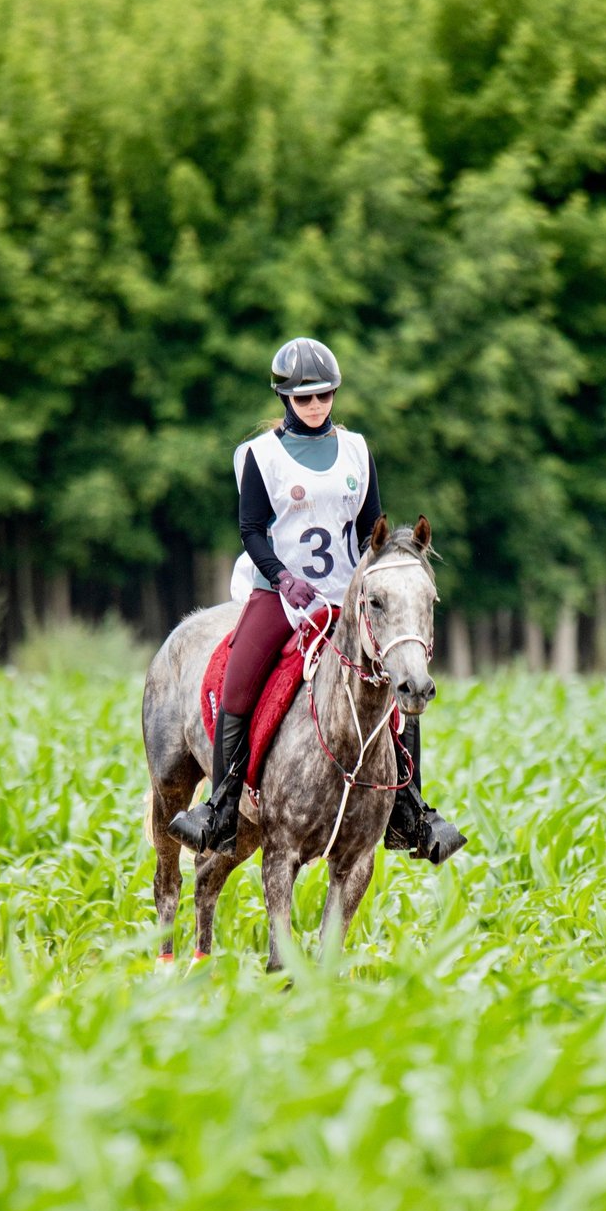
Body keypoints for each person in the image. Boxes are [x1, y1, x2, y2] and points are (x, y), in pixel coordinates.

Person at [167, 336, 465, 863]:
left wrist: (377, 581)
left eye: (324, 395)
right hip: (280, 597)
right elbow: (251, 530)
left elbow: (368, 528)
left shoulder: (357, 449)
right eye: (304, 398)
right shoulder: (261, 456)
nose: (316, 406)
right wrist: (282, 578)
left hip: (348, 600)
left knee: (398, 683)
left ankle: (411, 811)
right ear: (285, 399)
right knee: (239, 683)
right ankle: (221, 806)